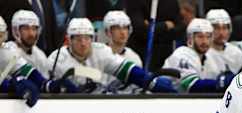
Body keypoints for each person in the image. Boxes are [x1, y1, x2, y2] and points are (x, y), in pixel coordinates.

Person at [47, 18, 176, 93]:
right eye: (78, 38)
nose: (83, 43)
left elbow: (128, 70)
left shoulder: (101, 51)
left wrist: (151, 82)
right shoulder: (57, 59)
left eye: (87, 38)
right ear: (69, 40)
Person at [162, 18, 233, 93]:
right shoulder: (182, 54)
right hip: (165, 101)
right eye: (200, 37)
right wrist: (219, 83)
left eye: (208, 37)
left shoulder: (212, 57)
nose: (205, 41)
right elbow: (192, 86)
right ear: (190, 38)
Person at [126, 0, 185, 72]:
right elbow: (141, 31)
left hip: (164, 56)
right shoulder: (134, 2)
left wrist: (152, 28)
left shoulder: (171, 2)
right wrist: (165, 25)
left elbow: (180, 28)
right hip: (140, 54)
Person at [6, 10, 49, 77]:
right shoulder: (7, 51)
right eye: (26, 29)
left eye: (34, 29)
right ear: (15, 30)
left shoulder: (40, 55)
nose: (31, 34)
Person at [206, 9, 242, 74]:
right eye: (216, 28)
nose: (221, 33)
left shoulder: (237, 53)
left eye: (224, 28)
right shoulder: (202, 54)